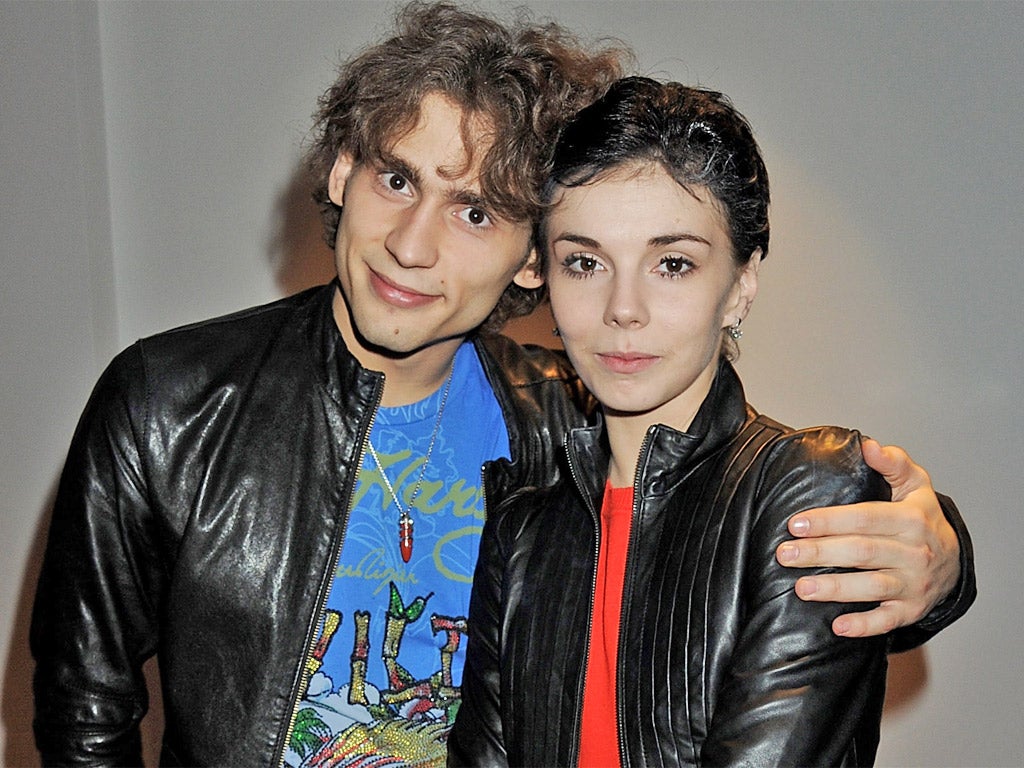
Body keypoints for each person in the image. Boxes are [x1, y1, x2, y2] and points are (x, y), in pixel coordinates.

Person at [30, 4, 973, 766]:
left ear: (531, 259)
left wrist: (942, 563)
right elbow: (85, 711)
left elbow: (722, 495)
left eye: (475, 210)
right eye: (397, 180)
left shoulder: (567, 420)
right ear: (344, 171)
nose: (412, 245)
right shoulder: (168, 401)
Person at [448, 77, 949, 766]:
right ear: (547, 276)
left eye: (672, 264)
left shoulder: (808, 491)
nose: (624, 309)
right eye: (585, 262)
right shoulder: (523, 531)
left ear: (741, 285)